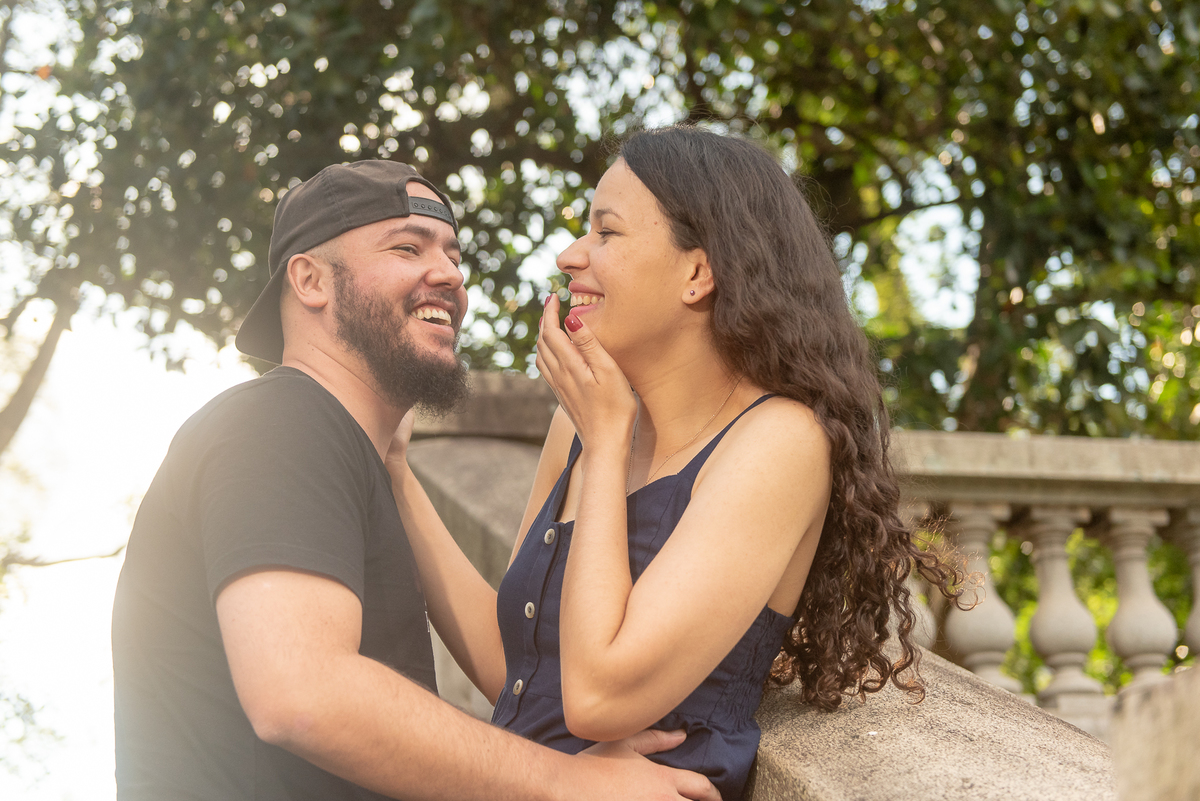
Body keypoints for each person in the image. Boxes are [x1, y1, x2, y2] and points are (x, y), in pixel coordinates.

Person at [111, 159, 719, 801]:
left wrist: (395, 471)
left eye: (454, 255)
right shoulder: (280, 418)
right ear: (310, 279)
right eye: (407, 247)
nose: (450, 275)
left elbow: (518, 666)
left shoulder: (347, 460)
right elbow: (302, 693)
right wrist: (568, 781)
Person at [386, 126, 964, 800]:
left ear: (698, 272)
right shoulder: (577, 423)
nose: (571, 255)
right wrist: (397, 470)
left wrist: (606, 445)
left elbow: (599, 697)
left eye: (607, 232)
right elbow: (515, 666)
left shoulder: (778, 441)